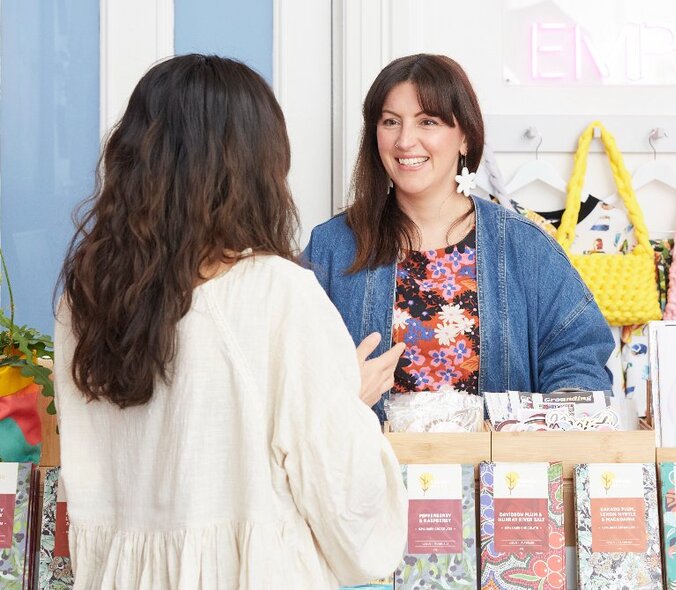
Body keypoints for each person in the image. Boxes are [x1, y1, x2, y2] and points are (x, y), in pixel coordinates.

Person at [55, 54, 407, 588]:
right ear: (254, 167)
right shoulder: (276, 292)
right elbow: (349, 513)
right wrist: (347, 401)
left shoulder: (86, 302)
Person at [303, 54, 614, 421]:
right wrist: (338, 393)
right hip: (371, 476)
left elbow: (579, 359)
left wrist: (545, 427)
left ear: (465, 136)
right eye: (391, 122)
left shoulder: (524, 247)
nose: (405, 140)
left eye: (427, 121)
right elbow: (285, 377)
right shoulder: (332, 247)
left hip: (498, 477)